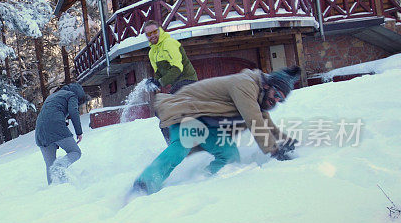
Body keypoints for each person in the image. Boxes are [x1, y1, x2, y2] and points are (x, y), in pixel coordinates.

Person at [131, 66, 302, 195]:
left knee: (229, 154)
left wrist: (285, 140)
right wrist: (274, 150)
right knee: (183, 145)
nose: (276, 101)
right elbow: (254, 120)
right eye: (277, 95)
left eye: (281, 100)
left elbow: (266, 121)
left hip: (205, 121)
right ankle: (144, 184)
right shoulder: (245, 85)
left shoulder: (258, 95)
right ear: (267, 86)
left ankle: (202, 180)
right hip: (185, 109)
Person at [35, 83, 89, 184]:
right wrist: (79, 132)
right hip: (56, 128)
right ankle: (60, 165)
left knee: (50, 165)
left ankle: (53, 188)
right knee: (75, 152)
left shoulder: (51, 97)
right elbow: (73, 111)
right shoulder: (71, 95)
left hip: (40, 132)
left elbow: (49, 114)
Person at [142, 20, 198, 94]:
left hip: (188, 80)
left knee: (170, 101)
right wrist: (154, 82)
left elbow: (178, 68)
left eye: (155, 32)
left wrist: (160, 82)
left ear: (160, 30)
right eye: (149, 34)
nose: (152, 36)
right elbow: (158, 73)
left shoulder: (169, 43)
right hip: (176, 84)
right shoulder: (152, 53)